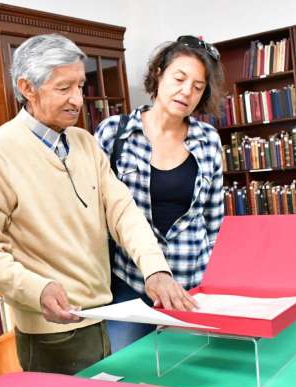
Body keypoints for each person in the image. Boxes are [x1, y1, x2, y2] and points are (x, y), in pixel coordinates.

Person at [0, 33, 197, 375]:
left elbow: (123, 213)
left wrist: (155, 270)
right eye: (64, 88)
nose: (77, 99)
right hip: (54, 333)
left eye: (81, 86)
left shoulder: (84, 142)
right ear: (27, 87)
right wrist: (38, 289)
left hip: (108, 317)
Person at [95, 35, 226, 353]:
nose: (187, 91)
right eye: (179, 79)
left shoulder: (208, 139)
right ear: (158, 75)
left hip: (190, 287)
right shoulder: (115, 132)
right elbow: (94, 212)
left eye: (198, 87)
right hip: (129, 285)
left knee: (189, 381)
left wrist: (212, 288)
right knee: (123, 374)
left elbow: (214, 223)